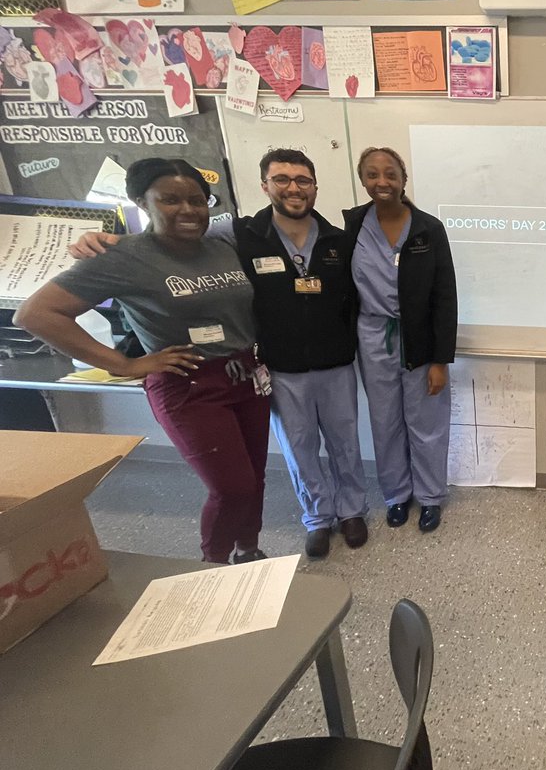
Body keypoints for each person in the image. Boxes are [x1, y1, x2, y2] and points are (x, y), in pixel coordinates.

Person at [67, 150, 371, 561]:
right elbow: (165, 238)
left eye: (303, 179)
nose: (293, 187)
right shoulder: (238, 233)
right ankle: (317, 516)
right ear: (265, 186)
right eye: (281, 179)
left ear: (315, 186)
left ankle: (352, 511)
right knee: (300, 448)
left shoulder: (338, 238)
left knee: (345, 443)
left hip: (334, 363)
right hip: (279, 367)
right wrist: (111, 242)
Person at [16, 158, 270, 564]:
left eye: (197, 200)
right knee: (232, 487)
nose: (187, 210)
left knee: (253, 478)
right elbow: (35, 314)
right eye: (170, 200)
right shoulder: (122, 257)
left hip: (245, 377)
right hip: (188, 383)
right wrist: (124, 365)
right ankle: (214, 563)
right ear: (141, 201)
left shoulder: (221, 246)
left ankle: (249, 550)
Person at [344, 147, 457, 533]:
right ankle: (395, 495)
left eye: (390, 174)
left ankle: (429, 497)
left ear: (403, 179)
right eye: (373, 175)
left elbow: (445, 297)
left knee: (427, 422)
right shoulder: (352, 226)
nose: (382, 182)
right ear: (363, 180)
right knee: (385, 421)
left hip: (420, 339)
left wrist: (441, 359)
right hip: (372, 337)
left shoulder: (428, 229)